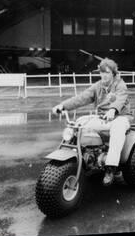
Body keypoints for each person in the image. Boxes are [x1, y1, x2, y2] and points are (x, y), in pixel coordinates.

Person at [52, 58, 131, 186]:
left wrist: (112, 110)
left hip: (120, 117)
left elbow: (120, 98)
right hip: (102, 117)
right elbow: (81, 98)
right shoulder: (97, 86)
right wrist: (63, 106)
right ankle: (77, 157)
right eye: (102, 72)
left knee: (118, 128)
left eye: (107, 72)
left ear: (113, 73)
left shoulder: (120, 84)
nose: (104, 75)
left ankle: (110, 168)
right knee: (79, 122)